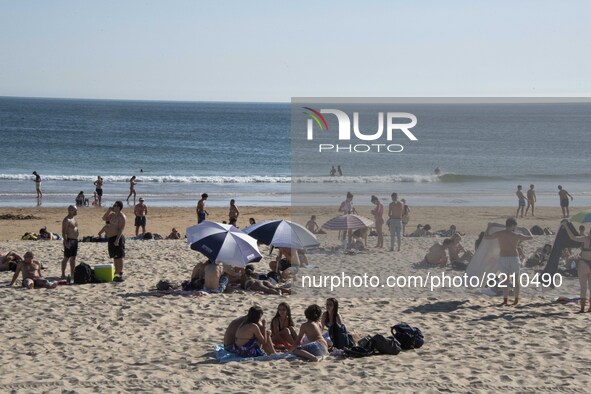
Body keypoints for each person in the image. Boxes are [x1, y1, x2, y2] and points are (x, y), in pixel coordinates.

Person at [484, 218, 533, 305]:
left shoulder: (500, 234)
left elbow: (486, 237)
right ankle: (516, 300)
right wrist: (526, 230)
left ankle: (505, 300)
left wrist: (488, 227)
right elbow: (531, 237)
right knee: (515, 280)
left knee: (505, 280)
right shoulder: (516, 235)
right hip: (514, 257)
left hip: (504, 258)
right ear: (513, 225)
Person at [560, 220, 591, 313]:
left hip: (584, 263)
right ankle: (590, 308)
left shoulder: (586, 239)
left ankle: (582, 309)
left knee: (583, 288)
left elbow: (573, 237)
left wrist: (566, 226)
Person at [102, 201, 126, 282]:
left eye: (115, 206)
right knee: (115, 256)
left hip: (117, 237)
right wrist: (109, 210)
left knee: (120, 256)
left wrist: (117, 240)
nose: (113, 206)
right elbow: (104, 218)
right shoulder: (112, 215)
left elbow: (121, 229)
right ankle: (116, 272)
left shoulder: (121, 217)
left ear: (118, 207)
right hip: (111, 237)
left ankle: (121, 272)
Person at [60, 205, 79, 279]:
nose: (76, 211)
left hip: (75, 240)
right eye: (75, 210)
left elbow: (76, 229)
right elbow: (64, 232)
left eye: (76, 210)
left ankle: (72, 274)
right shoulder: (66, 220)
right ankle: (63, 274)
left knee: (73, 257)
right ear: (70, 210)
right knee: (67, 257)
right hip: (69, 240)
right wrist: (65, 242)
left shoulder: (73, 219)